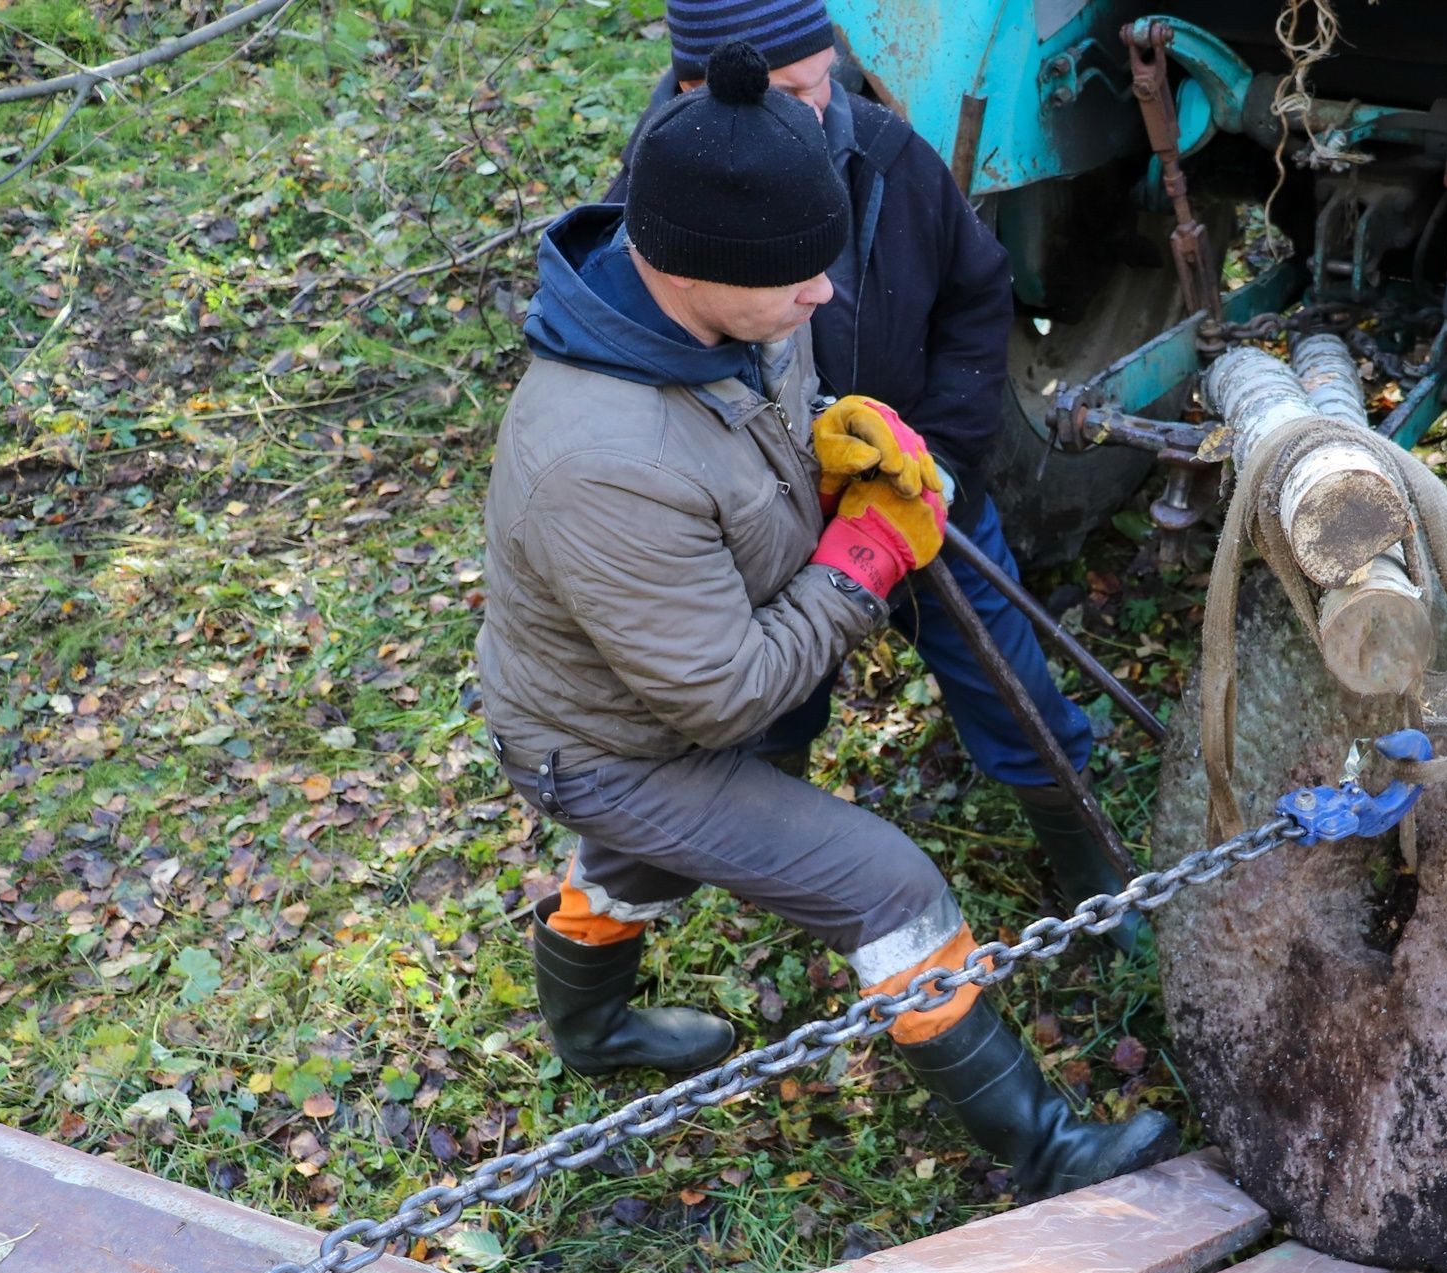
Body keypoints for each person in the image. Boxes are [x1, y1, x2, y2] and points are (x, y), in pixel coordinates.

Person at [477, 42, 1172, 1200]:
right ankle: (1046, 1149)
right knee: (887, 888)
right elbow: (727, 697)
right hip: (613, 744)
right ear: (695, 268)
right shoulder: (596, 459)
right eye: (799, 282)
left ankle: (593, 1034)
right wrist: (865, 556)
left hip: (659, 685)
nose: (825, 298)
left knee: (643, 870)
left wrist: (840, 436)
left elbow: (766, 422)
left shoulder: (745, 307)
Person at [610, 0, 1135, 943]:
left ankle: (1075, 835)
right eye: (790, 93)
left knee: (1005, 676)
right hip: (764, 522)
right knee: (769, 709)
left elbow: (977, 298)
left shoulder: (881, 149)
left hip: (908, 487)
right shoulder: (659, 198)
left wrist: (935, 459)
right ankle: (772, 852)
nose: (821, 112)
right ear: (703, 88)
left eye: (826, 79)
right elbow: (638, 376)